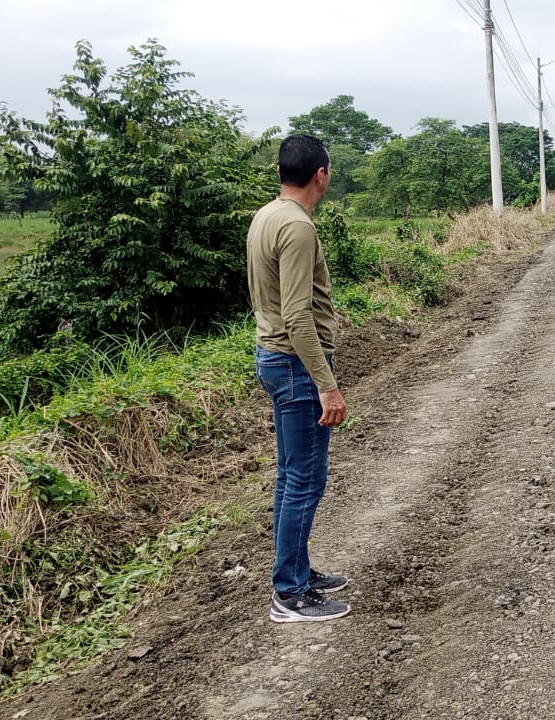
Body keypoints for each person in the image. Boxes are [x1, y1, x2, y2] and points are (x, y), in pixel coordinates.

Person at [247, 134, 351, 623]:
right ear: (321, 174)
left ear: (279, 172)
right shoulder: (297, 226)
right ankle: (289, 593)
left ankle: (298, 572)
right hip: (295, 365)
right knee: (306, 478)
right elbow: (297, 315)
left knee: (292, 475)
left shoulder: (267, 215)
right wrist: (326, 384)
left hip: (275, 357)